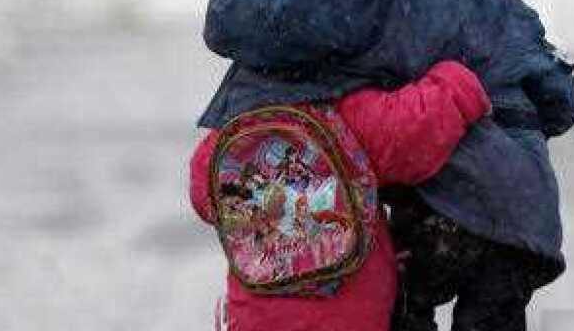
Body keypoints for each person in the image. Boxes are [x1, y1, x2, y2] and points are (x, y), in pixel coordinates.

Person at [199, 0, 574, 331]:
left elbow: (279, 36)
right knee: (493, 310)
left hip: (443, 213)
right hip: (529, 217)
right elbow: (557, 93)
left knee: (403, 303)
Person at [190, 61, 491, 331]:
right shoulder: (344, 113)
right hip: (349, 315)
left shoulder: (227, 138)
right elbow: (412, 129)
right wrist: (457, 83)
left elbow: (203, 196)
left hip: (256, 317)